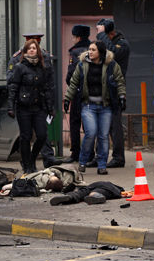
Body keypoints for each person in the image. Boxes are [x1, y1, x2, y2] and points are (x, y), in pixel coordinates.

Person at [63, 41, 126, 175]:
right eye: (89, 49)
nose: (90, 52)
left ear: (101, 52)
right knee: (91, 133)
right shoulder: (82, 65)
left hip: (105, 107)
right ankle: (82, 161)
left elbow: (120, 81)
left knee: (103, 136)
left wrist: (121, 96)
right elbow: (73, 83)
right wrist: (67, 98)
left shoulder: (112, 65)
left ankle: (102, 165)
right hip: (88, 106)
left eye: (93, 50)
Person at [7, 33, 62, 168]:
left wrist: (51, 107)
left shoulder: (43, 63)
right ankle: (27, 164)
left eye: (35, 46)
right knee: (25, 137)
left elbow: (48, 86)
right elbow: (13, 85)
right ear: (25, 49)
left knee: (42, 135)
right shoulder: (18, 64)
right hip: (24, 106)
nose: (33, 49)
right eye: (30, 47)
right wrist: (11, 107)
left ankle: (35, 158)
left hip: (39, 106)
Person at [96, 18, 130, 168]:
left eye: (105, 35)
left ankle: (118, 158)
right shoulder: (110, 41)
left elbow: (113, 53)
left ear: (111, 33)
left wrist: (102, 35)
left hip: (115, 88)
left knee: (115, 125)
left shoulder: (122, 44)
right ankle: (100, 156)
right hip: (104, 88)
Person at [63, 25, 91, 164]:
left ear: (78, 37)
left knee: (75, 122)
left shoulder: (75, 52)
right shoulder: (94, 49)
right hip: (92, 93)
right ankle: (90, 153)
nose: (72, 39)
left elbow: (71, 74)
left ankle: (76, 152)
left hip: (78, 92)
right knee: (89, 124)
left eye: (73, 36)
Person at [50, 181, 125, 205]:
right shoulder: (116, 189)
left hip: (90, 186)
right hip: (106, 187)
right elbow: (123, 193)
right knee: (99, 192)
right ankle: (95, 196)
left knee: (80, 193)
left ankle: (70, 197)